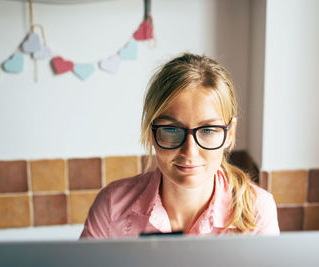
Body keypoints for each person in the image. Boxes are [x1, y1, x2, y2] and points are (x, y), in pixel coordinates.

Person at [80, 53, 279, 238]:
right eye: (172, 130)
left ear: (230, 133)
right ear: (151, 132)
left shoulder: (258, 210)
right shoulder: (112, 206)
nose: (189, 151)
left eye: (208, 130)